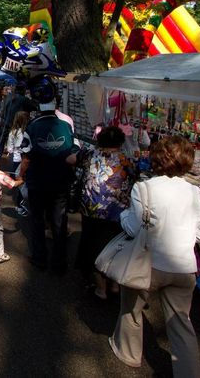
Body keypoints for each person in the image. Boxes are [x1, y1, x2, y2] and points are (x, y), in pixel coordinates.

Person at [109, 136, 200, 377]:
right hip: (184, 267)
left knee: (131, 309)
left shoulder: (144, 188)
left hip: (148, 263)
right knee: (181, 322)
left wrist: (122, 217)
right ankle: (188, 371)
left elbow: (132, 227)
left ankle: (129, 353)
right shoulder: (194, 192)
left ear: (156, 158)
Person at [17, 93, 79, 274]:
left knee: (37, 221)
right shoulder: (66, 126)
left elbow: (26, 156)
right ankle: (59, 262)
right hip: (60, 182)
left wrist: (21, 175)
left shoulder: (32, 126)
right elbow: (74, 153)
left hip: (37, 182)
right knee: (59, 223)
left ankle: (40, 258)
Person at [74, 126, 136, 300]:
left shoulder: (90, 155)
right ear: (121, 141)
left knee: (92, 246)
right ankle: (115, 284)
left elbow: (70, 159)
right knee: (115, 247)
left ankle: (101, 289)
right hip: (118, 212)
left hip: (92, 209)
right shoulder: (127, 160)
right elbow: (135, 177)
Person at [5, 111, 30, 217]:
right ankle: (23, 205)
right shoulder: (28, 133)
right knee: (25, 183)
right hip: (26, 160)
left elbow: (10, 149)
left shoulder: (13, 132)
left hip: (16, 159)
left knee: (19, 183)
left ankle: (20, 205)